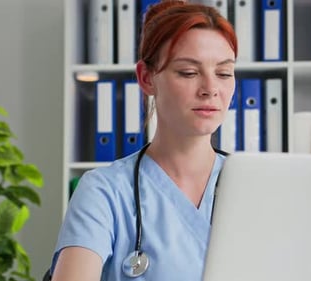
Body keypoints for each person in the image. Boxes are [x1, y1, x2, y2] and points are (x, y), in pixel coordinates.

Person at [48, 1, 237, 280]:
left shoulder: (254, 187)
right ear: (147, 78)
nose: (211, 89)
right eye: (189, 72)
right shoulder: (105, 192)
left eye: (223, 73)